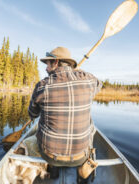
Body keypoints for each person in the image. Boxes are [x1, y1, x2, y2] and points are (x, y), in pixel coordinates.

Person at [27, 47, 102, 179]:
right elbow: (99, 84)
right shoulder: (88, 80)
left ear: (56, 62)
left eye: (48, 64)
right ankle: (82, 174)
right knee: (91, 125)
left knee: (39, 127)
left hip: (50, 155)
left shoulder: (42, 86)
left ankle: (53, 169)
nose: (45, 68)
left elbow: (32, 114)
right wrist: (79, 73)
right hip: (80, 156)